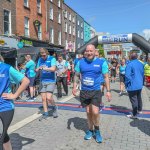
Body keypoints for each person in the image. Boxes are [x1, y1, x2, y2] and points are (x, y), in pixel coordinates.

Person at [72, 44, 111, 143]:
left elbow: (106, 77)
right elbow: (76, 75)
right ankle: (90, 130)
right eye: (87, 51)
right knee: (88, 112)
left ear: (94, 52)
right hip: (84, 91)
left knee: (95, 112)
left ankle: (97, 130)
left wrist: (108, 91)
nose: (89, 53)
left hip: (96, 91)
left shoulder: (101, 62)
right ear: (85, 52)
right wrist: (74, 87)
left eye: (91, 51)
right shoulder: (80, 62)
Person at [0, 55, 29, 150]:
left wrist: (15, 95)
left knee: (3, 135)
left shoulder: (6, 68)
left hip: (5, 106)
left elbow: (25, 81)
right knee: (3, 136)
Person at [36, 48, 58, 119]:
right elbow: (37, 69)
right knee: (43, 98)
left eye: (44, 55)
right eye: (42, 55)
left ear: (47, 53)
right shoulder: (40, 59)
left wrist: (44, 68)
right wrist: (37, 69)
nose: (43, 57)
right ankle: (46, 113)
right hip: (43, 81)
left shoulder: (52, 58)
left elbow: (53, 69)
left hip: (51, 80)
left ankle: (55, 107)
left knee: (49, 98)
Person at [125, 52, 144, 119]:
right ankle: (140, 110)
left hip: (132, 85)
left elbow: (127, 76)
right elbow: (142, 74)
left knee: (134, 100)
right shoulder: (141, 64)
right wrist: (142, 83)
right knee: (139, 97)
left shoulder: (129, 64)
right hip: (139, 84)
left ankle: (134, 114)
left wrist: (126, 85)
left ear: (130, 57)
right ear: (136, 57)